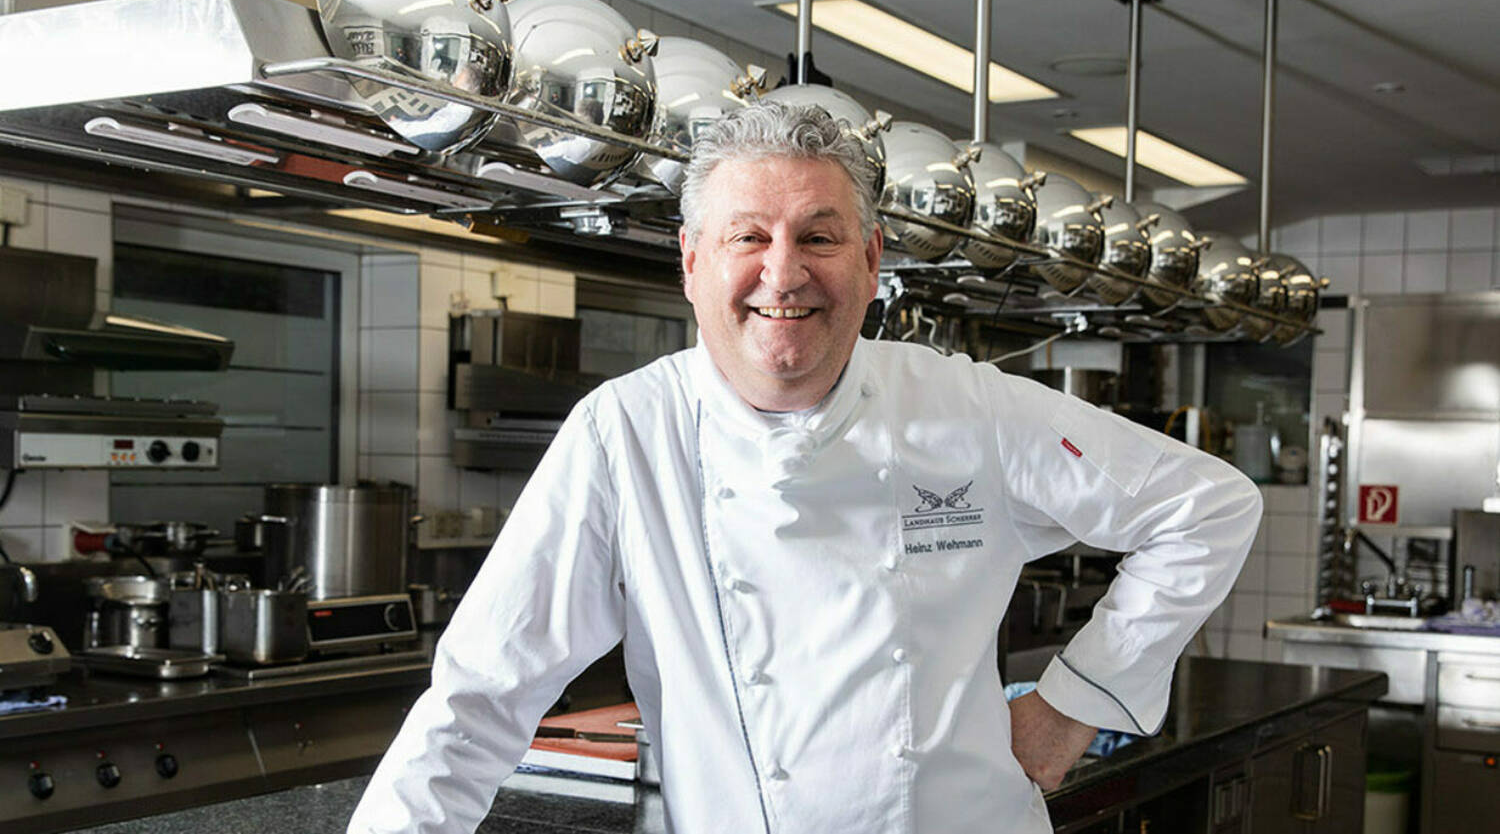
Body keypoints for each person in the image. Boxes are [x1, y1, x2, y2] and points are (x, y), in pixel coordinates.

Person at [347, 102, 1261, 834]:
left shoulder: (966, 407)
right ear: (693, 263)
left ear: (870, 263)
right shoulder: (627, 433)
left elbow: (1207, 507)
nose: (783, 274)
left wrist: (1074, 702)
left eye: (818, 237)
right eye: (749, 236)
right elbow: (479, 697)